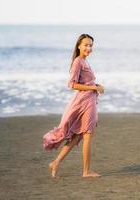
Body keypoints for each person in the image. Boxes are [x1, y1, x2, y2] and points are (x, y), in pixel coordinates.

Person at [42, 33, 104, 178]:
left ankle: (55, 163)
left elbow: (85, 83)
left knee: (77, 137)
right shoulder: (78, 61)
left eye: (91, 45)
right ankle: (86, 172)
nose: (89, 48)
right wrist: (93, 88)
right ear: (79, 46)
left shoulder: (85, 61)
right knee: (87, 135)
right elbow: (72, 84)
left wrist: (96, 85)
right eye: (86, 45)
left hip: (89, 101)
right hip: (85, 102)